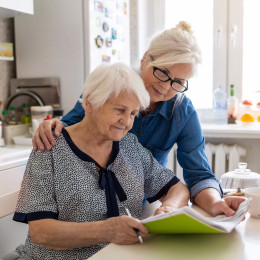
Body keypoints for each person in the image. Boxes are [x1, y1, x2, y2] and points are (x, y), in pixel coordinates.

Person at [32, 21, 245, 217]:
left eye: (178, 82)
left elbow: (198, 175)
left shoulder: (182, 112)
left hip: (137, 208)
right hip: (85, 209)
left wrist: (216, 203)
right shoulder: (110, 87)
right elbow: (70, 129)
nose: (165, 86)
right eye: (162, 72)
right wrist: (52, 125)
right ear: (145, 59)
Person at [13, 63, 190, 259]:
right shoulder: (49, 148)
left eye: (133, 113)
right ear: (89, 103)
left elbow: (178, 189)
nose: (127, 122)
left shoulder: (130, 146)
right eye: (120, 110)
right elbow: (41, 232)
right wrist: (106, 231)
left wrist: (170, 208)